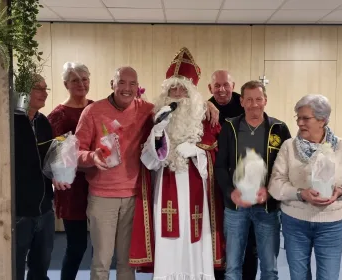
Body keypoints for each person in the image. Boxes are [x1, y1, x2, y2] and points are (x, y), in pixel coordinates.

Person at [75, 63, 219, 280]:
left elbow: (182, 106)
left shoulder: (146, 110)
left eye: (132, 84)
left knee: (126, 262)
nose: (127, 88)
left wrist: (208, 104)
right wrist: (91, 157)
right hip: (104, 196)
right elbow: (76, 152)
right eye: (121, 82)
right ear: (112, 84)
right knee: (102, 261)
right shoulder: (93, 111)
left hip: (135, 196)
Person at [129, 47, 225, 279]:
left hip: (197, 189)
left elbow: (218, 157)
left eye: (183, 87)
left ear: (192, 91)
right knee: (167, 235)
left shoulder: (206, 117)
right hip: (165, 185)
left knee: (196, 233)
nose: (177, 91)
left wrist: (197, 151)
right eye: (173, 86)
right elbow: (148, 161)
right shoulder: (157, 115)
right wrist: (158, 134)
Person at [268, 94, 342, 280]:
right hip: (295, 222)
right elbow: (275, 184)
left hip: (331, 224)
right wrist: (300, 193)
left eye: (305, 118)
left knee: (329, 276)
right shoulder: (289, 147)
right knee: (298, 277)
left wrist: (341, 192)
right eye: (298, 117)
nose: (299, 123)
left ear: (322, 120)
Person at [215, 80, 291, 280]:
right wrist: (230, 191)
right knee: (232, 268)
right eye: (249, 99)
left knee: (269, 268)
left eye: (258, 99)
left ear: (265, 100)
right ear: (241, 102)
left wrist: (270, 191)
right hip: (235, 208)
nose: (254, 104)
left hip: (267, 207)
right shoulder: (230, 127)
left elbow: (286, 168)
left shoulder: (279, 128)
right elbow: (220, 166)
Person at [208, 70, 257, 280]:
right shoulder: (205, 108)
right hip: (218, 185)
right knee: (220, 237)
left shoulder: (246, 105)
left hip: (248, 184)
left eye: (225, 85)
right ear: (210, 88)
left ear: (233, 85)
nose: (221, 89)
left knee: (249, 242)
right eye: (216, 85)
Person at [47, 62, 93, 280]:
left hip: (99, 184)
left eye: (84, 79)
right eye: (75, 80)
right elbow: (54, 156)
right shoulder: (58, 115)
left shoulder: (96, 108)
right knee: (77, 246)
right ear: (66, 84)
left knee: (102, 247)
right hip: (72, 189)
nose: (81, 84)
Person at [14, 74, 54, 280]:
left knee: (41, 268)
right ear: (22, 90)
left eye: (46, 88)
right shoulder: (10, 122)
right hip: (19, 211)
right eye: (39, 88)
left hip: (45, 209)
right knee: (15, 267)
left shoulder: (43, 122)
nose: (44, 93)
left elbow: (49, 160)